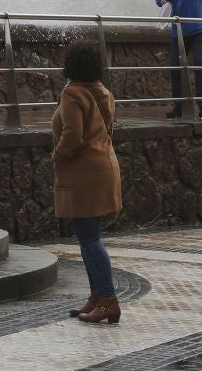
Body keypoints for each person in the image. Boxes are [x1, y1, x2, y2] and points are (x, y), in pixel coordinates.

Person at [52, 39, 123, 325]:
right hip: (105, 166)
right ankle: (96, 298)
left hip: (85, 172)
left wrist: (57, 155)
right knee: (88, 236)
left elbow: (73, 135)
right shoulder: (103, 92)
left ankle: (108, 300)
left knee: (89, 238)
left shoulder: (72, 94)